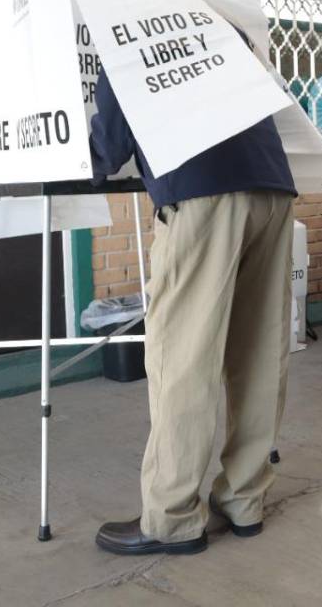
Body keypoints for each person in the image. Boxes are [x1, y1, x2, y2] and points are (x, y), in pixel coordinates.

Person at [90, 68, 296, 556]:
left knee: (182, 355)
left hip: (201, 191)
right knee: (259, 351)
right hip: (271, 186)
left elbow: (107, 147)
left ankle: (173, 518)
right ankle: (245, 500)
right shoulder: (219, 21)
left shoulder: (128, 32)